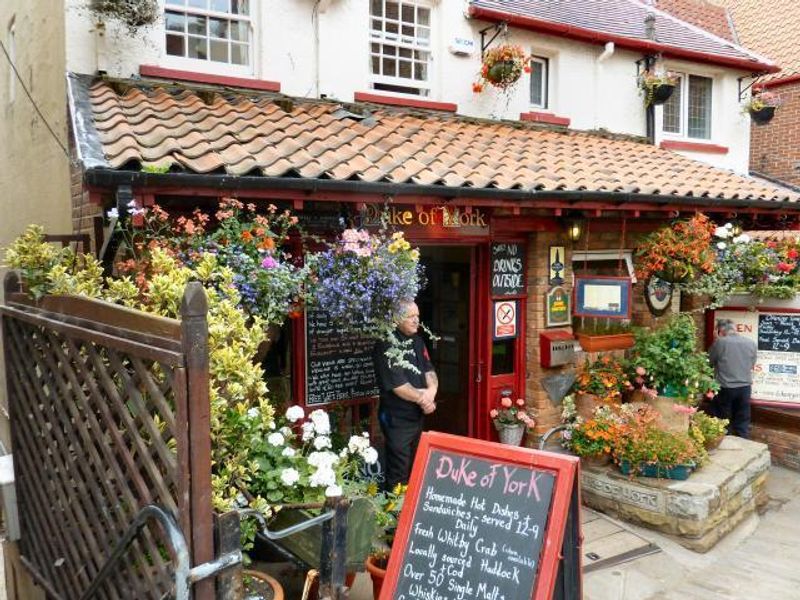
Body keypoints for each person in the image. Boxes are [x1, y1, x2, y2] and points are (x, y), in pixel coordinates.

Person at [372, 300, 438, 490]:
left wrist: (431, 393)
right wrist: (424, 399)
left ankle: (409, 509)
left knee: (417, 464)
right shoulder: (387, 344)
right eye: (411, 316)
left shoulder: (417, 341)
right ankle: (394, 513)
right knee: (399, 468)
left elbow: (429, 371)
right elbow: (398, 385)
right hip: (396, 419)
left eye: (417, 316)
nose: (416, 320)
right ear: (396, 318)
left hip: (417, 415)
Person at [708, 318, 757, 438]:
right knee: (743, 418)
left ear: (720, 331)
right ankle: (743, 442)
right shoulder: (751, 343)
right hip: (745, 386)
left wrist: (716, 340)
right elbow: (752, 364)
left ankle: (725, 444)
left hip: (726, 386)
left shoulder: (720, 343)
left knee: (723, 419)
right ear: (735, 329)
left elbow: (710, 361)